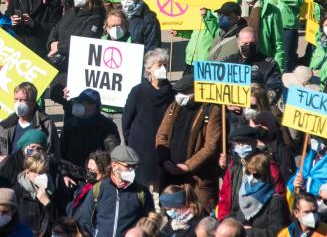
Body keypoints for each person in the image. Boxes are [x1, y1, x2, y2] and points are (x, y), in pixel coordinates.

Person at [155, 75, 223, 210]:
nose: (180, 95)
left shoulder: (211, 110)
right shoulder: (175, 106)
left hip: (196, 180)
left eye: (184, 92)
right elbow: (161, 135)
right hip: (171, 176)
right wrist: (165, 160)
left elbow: (210, 146)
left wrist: (188, 166)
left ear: (194, 90)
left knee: (197, 218)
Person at [75, 144, 154, 236]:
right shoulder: (98, 189)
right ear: (114, 165)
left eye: (134, 167)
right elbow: (85, 221)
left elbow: (150, 223)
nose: (132, 170)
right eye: (128, 166)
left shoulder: (142, 192)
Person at [123, 49, 173, 190]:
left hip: (162, 151)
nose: (163, 68)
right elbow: (126, 120)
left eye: (165, 65)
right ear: (148, 69)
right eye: (159, 65)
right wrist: (132, 140)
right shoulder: (137, 92)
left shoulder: (171, 93)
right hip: (141, 150)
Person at [0, 82, 59, 166]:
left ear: (33, 102)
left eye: (23, 100)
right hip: (9, 174)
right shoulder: (6, 124)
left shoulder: (45, 124)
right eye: (16, 99)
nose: (18, 103)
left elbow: (54, 155)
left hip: (34, 175)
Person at [60, 89, 120, 170]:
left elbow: (113, 154)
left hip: (97, 176)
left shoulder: (108, 126)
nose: (79, 106)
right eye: (79, 103)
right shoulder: (70, 125)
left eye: (82, 103)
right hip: (72, 176)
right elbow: (61, 153)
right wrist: (64, 174)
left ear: (93, 106)